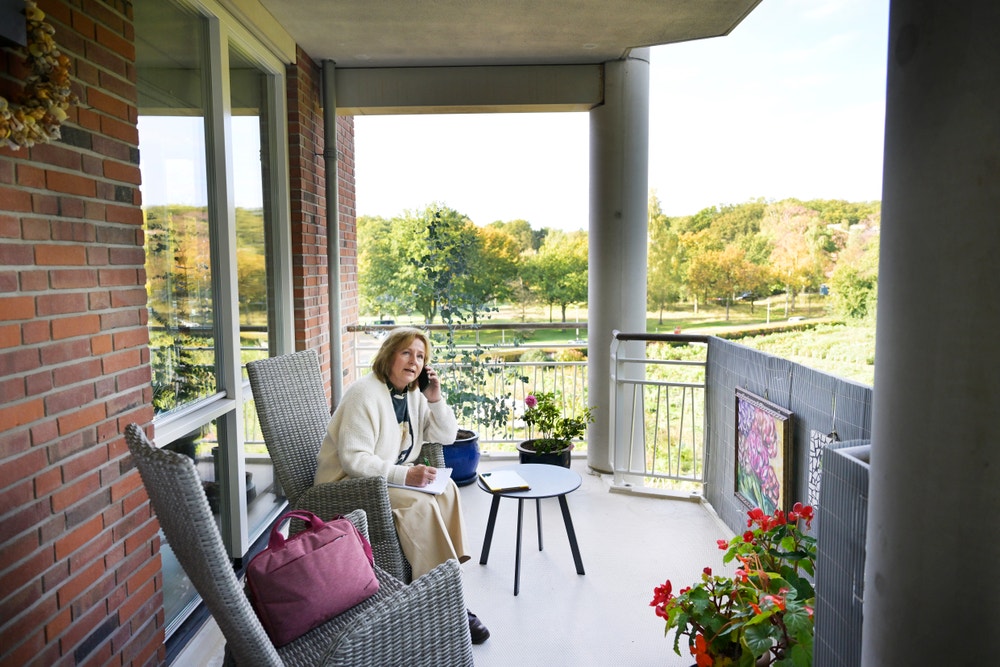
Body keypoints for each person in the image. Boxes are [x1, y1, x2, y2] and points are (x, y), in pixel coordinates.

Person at [314, 326, 490, 644]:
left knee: (446, 489)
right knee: (419, 504)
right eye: (406, 352)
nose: (414, 361)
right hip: (348, 485)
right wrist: (405, 476)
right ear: (389, 355)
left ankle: (446, 580)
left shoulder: (412, 394)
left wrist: (434, 399)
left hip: (380, 479)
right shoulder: (363, 394)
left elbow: (446, 435)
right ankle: (442, 603)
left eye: (421, 356)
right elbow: (354, 460)